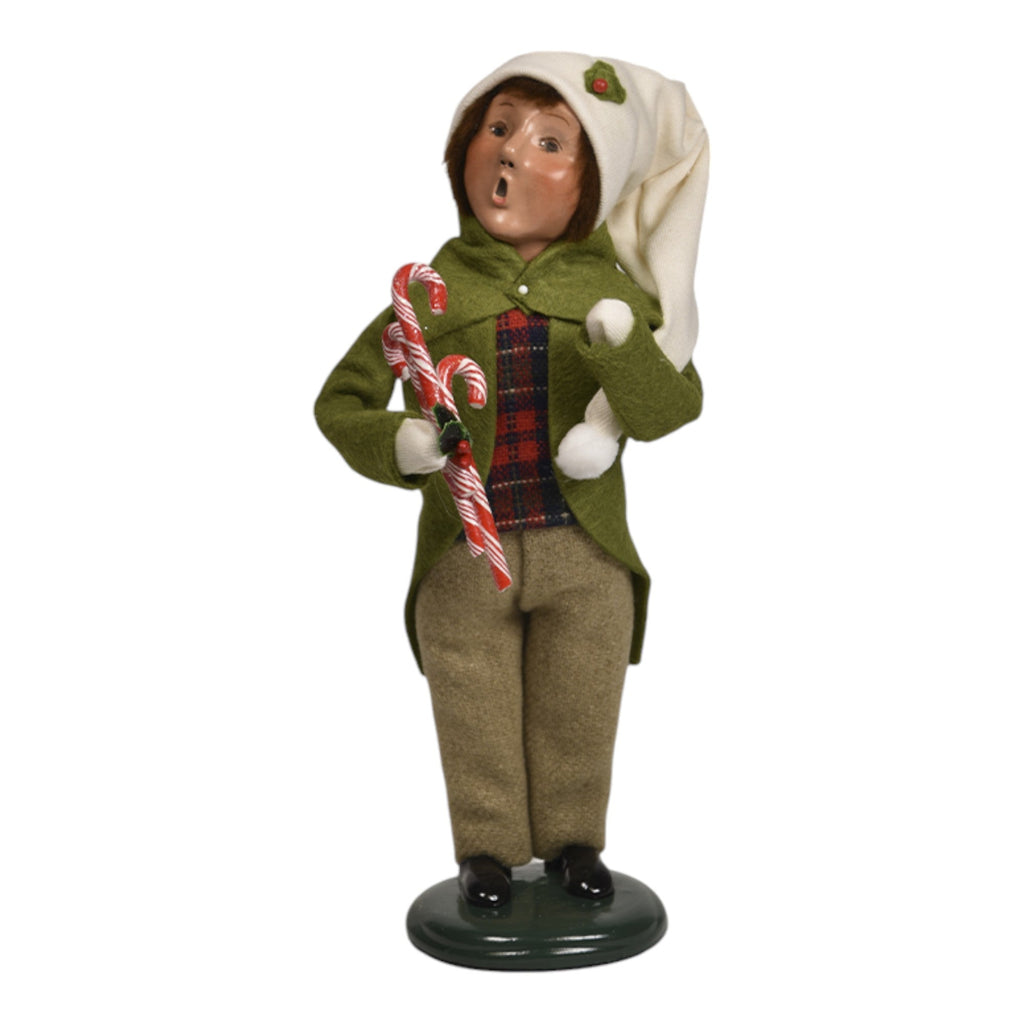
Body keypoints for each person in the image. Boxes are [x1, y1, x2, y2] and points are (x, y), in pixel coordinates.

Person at [315, 53, 708, 908]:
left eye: (549, 142)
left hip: (583, 550)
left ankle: (574, 843)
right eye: (497, 129)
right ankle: (486, 850)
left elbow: (673, 406)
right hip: (464, 554)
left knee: (581, 703)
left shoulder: (615, 295)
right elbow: (340, 402)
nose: (511, 153)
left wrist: (622, 355)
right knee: (473, 709)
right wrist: (398, 443)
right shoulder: (431, 294)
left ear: (593, 185)